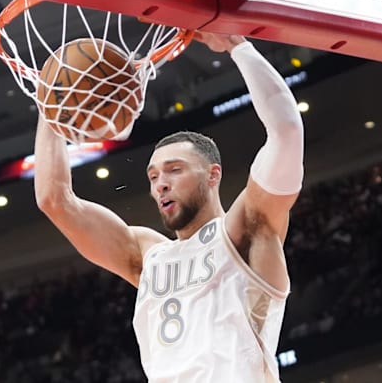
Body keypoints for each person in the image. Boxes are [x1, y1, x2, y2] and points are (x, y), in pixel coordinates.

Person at [34, 32, 304, 383]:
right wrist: (53, 105)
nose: (160, 182)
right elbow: (54, 200)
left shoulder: (246, 230)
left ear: (212, 175)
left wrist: (240, 47)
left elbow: (285, 131)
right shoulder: (146, 255)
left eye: (174, 170)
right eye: (153, 175)